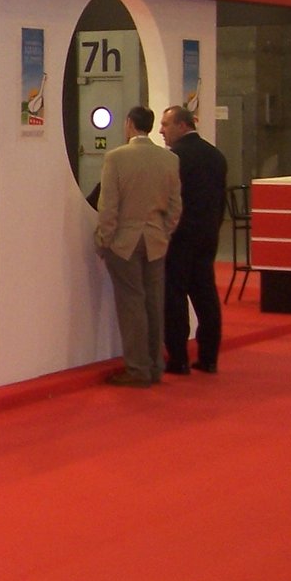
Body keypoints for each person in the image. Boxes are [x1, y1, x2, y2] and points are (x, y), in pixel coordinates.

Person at [95, 105, 182, 387]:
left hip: (125, 243)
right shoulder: (168, 159)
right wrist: (163, 232)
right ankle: (155, 365)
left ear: (130, 124)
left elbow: (109, 207)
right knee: (154, 303)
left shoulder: (116, 158)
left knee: (131, 305)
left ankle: (137, 368)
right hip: (155, 241)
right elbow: (175, 206)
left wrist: (104, 240)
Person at [159, 105, 227, 374]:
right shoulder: (216, 156)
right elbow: (220, 201)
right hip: (207, 235)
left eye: (166, 124)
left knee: (174, 298)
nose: (161, 130)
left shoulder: (175, 158)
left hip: (179, 237)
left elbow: (168, 200)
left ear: (182, 125)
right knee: (206, 296)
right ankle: (209, 357)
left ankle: (178, 358)